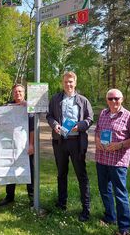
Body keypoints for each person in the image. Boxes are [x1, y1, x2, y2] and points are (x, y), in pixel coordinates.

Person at [46, 71, 93, 222]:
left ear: (75, 83)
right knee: (61, 174)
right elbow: (49, 116)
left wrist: (79, 126)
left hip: (77, 142)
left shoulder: (83, 100)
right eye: (66, 82)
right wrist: (54, 125)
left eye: (71, 81)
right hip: (60, 142)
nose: (68, 84)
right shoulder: (55, 99)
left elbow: (90, 119)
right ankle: (61, 203)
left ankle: (86, 209)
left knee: (82, 175)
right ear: (62, 83)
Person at [95, 89, 130, 235]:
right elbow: (97, 130)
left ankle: (124, 227)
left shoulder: (129, 116)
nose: (113, 101)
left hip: (118, 162)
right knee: (104, 190)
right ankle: (110, 217)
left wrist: (120, 145)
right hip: (101, 159)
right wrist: (97, 140)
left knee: (120, 193)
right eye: (110, 99)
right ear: (107, 100)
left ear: (122, 99)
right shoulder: (103, 114)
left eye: (116, 98)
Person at [0, 84, 34, 207]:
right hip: (10, 145)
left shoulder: (30, 107)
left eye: (20, 91)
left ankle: (32, 198)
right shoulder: (7, 107)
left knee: (29, 171)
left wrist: (31, 144)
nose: (17, 94)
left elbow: (32, 129)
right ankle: (9, 196)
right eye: (15, 92)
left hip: (26, 146)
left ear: (24, 93)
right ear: (13, 93)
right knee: (10, 170)